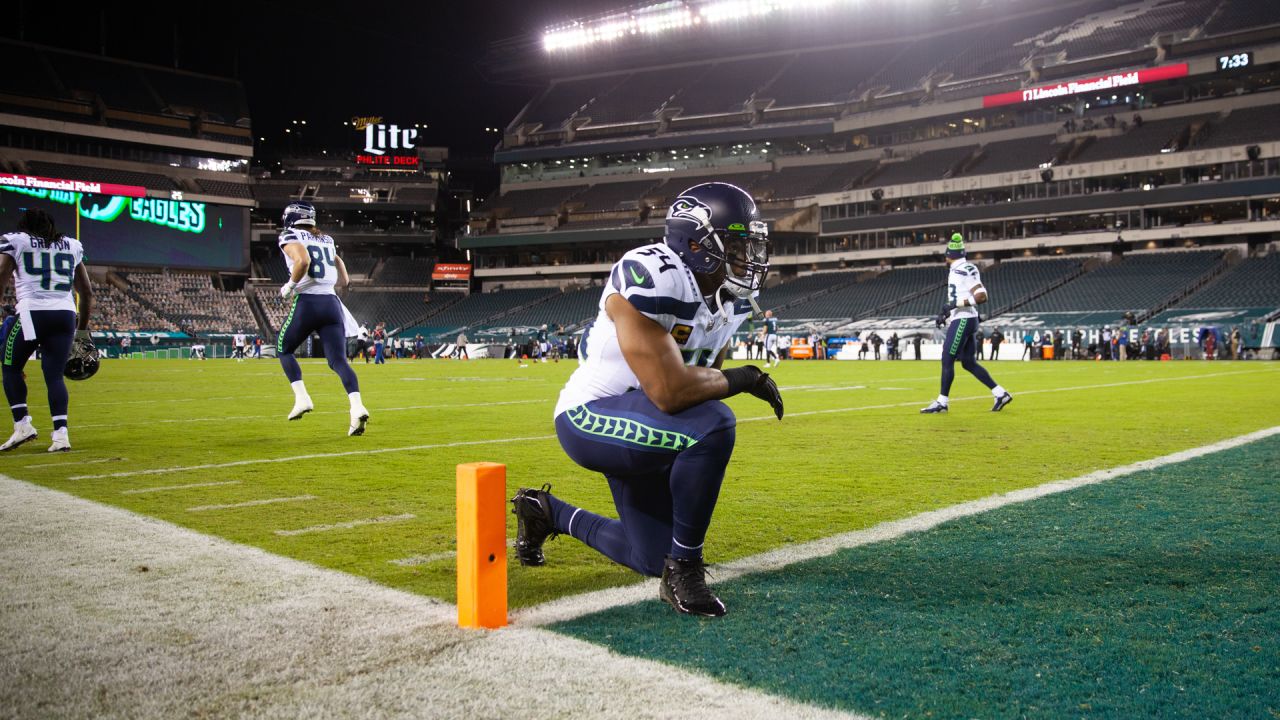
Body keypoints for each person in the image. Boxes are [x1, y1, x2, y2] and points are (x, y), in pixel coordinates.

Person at [510, 182, 781, 618]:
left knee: (650, 555)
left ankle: (545, 512)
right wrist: (745, 378)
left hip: (649, 426)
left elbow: (703, 375)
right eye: (734, 244)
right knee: (714, 424)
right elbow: (672, 392)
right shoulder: (652, 275)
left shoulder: (731, 301)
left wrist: (726, 379)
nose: (746, 258)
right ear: (695, 242)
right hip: (591, 416)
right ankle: (685, 569)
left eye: (749, 246)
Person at [0, 209, 94, 452]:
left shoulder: (17, 240)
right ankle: (61, 435)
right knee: (54, 376)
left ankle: (23, 425)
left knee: (10, 368)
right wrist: (81, 332)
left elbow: (1, 276)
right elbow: (86, 292)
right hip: (64, 314)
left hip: (32, 312)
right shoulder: (72, 245)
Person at [274, 202, 369, 436]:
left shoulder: (290, 234)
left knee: (284, 349)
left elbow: (303, 261)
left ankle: (302, 398)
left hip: (308, 302)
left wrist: (289, 286)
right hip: (332, 304)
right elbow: (343, 275)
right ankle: (357, 408)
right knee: (338, 361)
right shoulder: (326, 239)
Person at [921, 234, 1012, 414]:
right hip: (964, 318)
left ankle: (942, 402)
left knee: (947, 358)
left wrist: (955, 305)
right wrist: (947, 312)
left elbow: (982, 296)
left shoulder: (965, 268)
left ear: (950, 254)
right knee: (968, 362)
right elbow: (958, 297)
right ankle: (1000, 393)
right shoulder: (957, 269)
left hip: (965, 319)